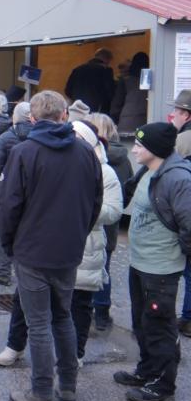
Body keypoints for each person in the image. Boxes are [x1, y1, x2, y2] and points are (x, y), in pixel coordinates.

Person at [0, 90, 101, 401]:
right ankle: (67, 388)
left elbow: (9, 205)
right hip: (68, 249)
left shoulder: (24, 152)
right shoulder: (86, 152)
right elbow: (94, 201)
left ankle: (42, 392)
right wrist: (78, 233)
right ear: (64, 115)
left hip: (32, 250)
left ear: (32, 118)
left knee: (39, 323)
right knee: (63, 317)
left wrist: (9, 243)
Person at [116, 123, 191, 401]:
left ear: (155, 149)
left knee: (160, 325)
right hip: (140, 262)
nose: (133, 148)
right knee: (142, 322)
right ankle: (147, 370)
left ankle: (163, 383)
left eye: (139, 144)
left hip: (161, 268)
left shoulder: (178, 179)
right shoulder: (148, 170)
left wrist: (179, 256)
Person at [68, 120, 122, 361]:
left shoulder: (105, 171)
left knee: (80, 306)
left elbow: (113, 211)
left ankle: (76, 354)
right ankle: (61, 353)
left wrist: (82, 210)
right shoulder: (63, 165)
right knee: (58, 307)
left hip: (87, 248)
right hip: (60, 246)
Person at [90, 113, 132, 331]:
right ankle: (103, 315)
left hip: (91, 222)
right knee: (104, 268)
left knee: (88, 267)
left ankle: (85, 310)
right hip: (111, 224)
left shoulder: (91, 156)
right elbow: (127, 192)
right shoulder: (124, 158)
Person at [0, 101, 33, 287]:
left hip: (9, 193)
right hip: (34, 194)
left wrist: (1, 187)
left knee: (6, 230)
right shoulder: (38, 138)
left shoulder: (5, 138)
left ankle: (4, 271)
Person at [167, 90, 191, 338]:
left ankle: (187, 318)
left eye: (178, 111)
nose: (174, 114)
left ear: (186, 114)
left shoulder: (183, 140)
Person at [65, 48, 115, 113]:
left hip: (78, 107)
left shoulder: (77, 69)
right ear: (107, 59)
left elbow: (68, 90)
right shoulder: (105, 70)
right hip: (97, 108)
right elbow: (109, 91)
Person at [110, 52, 149, 132]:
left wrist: (114, 119)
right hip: (145, 121)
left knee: (126, 143)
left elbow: (117, 104)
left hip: (127, 121)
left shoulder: (125, 81)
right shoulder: (150, 81)